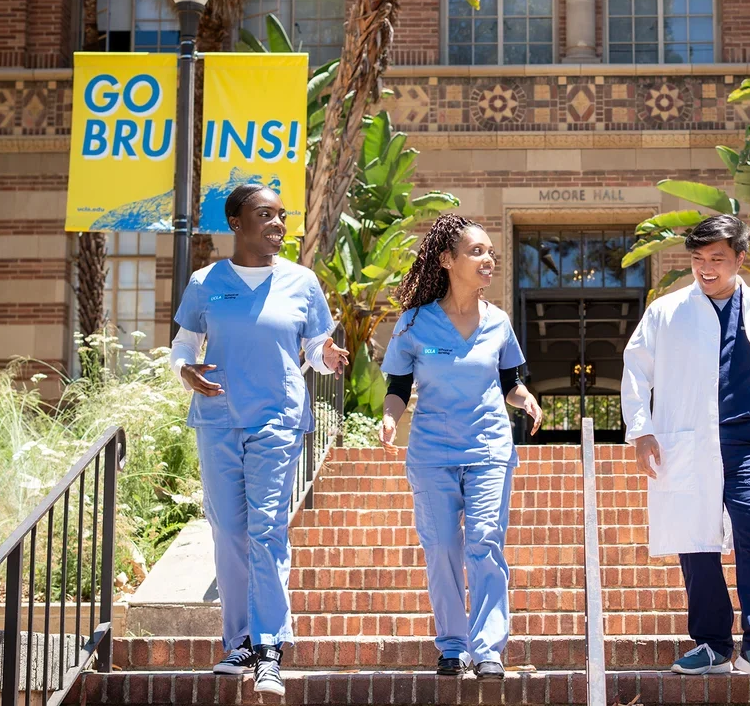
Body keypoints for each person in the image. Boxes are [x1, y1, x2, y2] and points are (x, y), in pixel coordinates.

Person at [621, 214, 750, 685]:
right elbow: (636, 368)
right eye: (697, 259)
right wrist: (642, 429)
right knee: (697, 543)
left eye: (717, 259)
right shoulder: (666, 311)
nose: (706, 269)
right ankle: (712, 644)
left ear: (739, 259)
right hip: (689, 441)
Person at [171, 183, 348, 695]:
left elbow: (314, 346)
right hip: (218, 416)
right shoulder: (206, 282)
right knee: (228, 530)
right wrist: (185, 370)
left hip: (278, 417)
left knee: (266, 528)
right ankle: (240, 642)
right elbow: (184, 343)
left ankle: (270, 646)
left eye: (282, 215)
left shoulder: (302, 282)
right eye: (265, 215)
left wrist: (327, 358)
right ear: (236, 223)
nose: (277, 224)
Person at [377, 213, 544, 680]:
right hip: (432, 451)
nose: (488, 258)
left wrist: (525, 398)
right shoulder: (414, 323)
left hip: (489, 446)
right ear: (448, 260)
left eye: (491, 251)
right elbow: (398, 385)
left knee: (485, 541)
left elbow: (510, 380)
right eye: (477, 251)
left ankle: (488, 647)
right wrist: (390, 418)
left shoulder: (499, 322)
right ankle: (453, 645)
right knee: (443, 547)